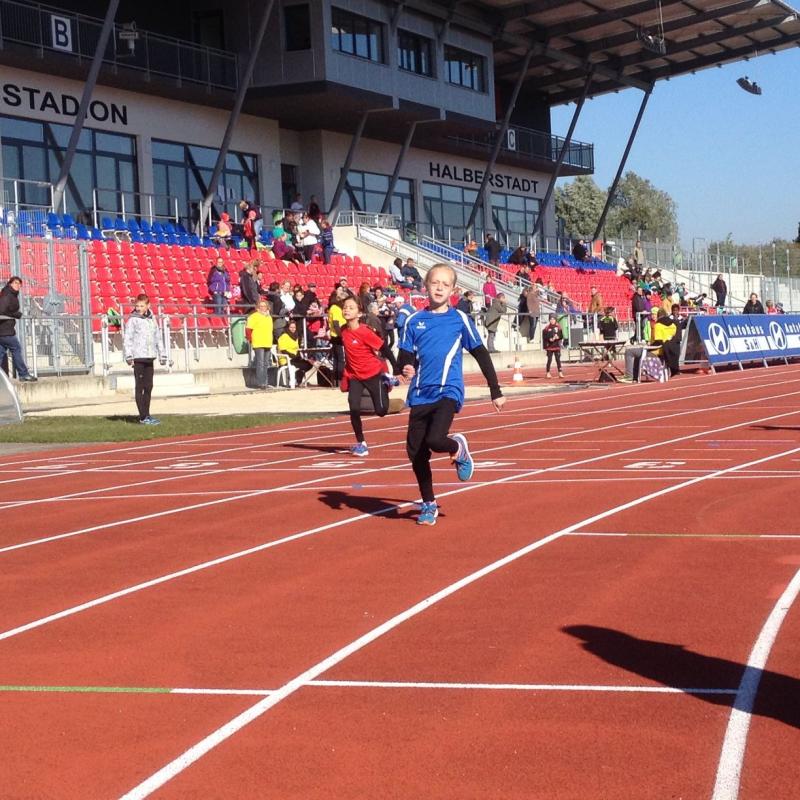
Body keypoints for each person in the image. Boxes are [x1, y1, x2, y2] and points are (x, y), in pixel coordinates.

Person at [397, 264, 505, 526]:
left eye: (445, 284)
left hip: (448, 390)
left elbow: (480, 353)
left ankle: (457, 446)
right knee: (416, 453)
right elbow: (405, 355)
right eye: (435, 283)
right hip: (420, 393)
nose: (439, 288)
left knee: (436, 439)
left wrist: (495, 389)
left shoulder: (459, 319)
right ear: (426, 285)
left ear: (453, 290)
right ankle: (428, 503)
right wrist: (406, 367)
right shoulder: (413, 321)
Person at [340, 295, 392, 456]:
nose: (346, 310)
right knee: (354, 407)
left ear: (359, 313)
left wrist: (396, 368)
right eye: (345, 307)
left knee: (381, 411)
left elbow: (384, 348)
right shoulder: (343, 330)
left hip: (373, 374)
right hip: (355, 376)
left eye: (351, 307)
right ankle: (361, 443)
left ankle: (385, 383)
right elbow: (342, 341)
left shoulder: (365, 331)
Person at [123, 294, 166, 423]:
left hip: (149, 357)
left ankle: (147, 414)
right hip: (138, 357)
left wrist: (162, 353)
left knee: (148, 386)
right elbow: (128, 338)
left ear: (148, 306)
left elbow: (158, 336)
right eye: (137, 306)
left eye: (142, 306)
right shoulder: (133, 320)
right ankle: (142, 417)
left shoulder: (152, 319)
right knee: (140, 387)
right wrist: (128, 355)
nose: (139, 308)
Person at [0, 276, 37, 382]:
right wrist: (16, 314)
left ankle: (5, 377)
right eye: (15, 283)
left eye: (19, 284)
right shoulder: (7, 295)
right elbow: (2, 310)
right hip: (6, 330)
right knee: (16, 349)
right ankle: (23, 374)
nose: (18, 285)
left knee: (1, 353)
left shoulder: (10, 294)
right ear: (10, 283)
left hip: (4, 329)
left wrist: (15, 314)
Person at [245, 298, 274, 390]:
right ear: (258, 307)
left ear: (267, 307)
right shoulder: (253, 316)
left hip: (267, 342)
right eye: (261, 306)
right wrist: (250, 339)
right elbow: (248, 329)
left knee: (266, 363)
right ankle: (261, 383)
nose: (262, 308)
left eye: (264, 306)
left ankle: (265, 382)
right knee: (260, 363)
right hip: (258, 342)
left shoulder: (269, 317)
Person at [277, 318, 313, 386]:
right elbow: (283, 350)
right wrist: (293, 356)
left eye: (294, 327)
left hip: (295, 358)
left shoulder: (296, 336)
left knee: (309, 364)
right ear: (288, 327)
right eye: (291, 327)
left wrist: (299, 356)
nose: (293, 329)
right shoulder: (283, 336)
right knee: (302, 365)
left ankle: (298, 378)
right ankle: (297, 381)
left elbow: (297, 349)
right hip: (286, 359)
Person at [542, 313, 564, 379]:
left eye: (553, 319)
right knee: (549, 360)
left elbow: (561, 336)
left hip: (556, 346)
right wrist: (549, 339)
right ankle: (548, 372)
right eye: (551, 319)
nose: (552, 320)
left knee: (558, 359)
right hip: (549, 347)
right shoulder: (546, 328)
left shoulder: (558, 327)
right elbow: (545, 337)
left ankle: (560, 372)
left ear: (555, 320)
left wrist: (558, 337)